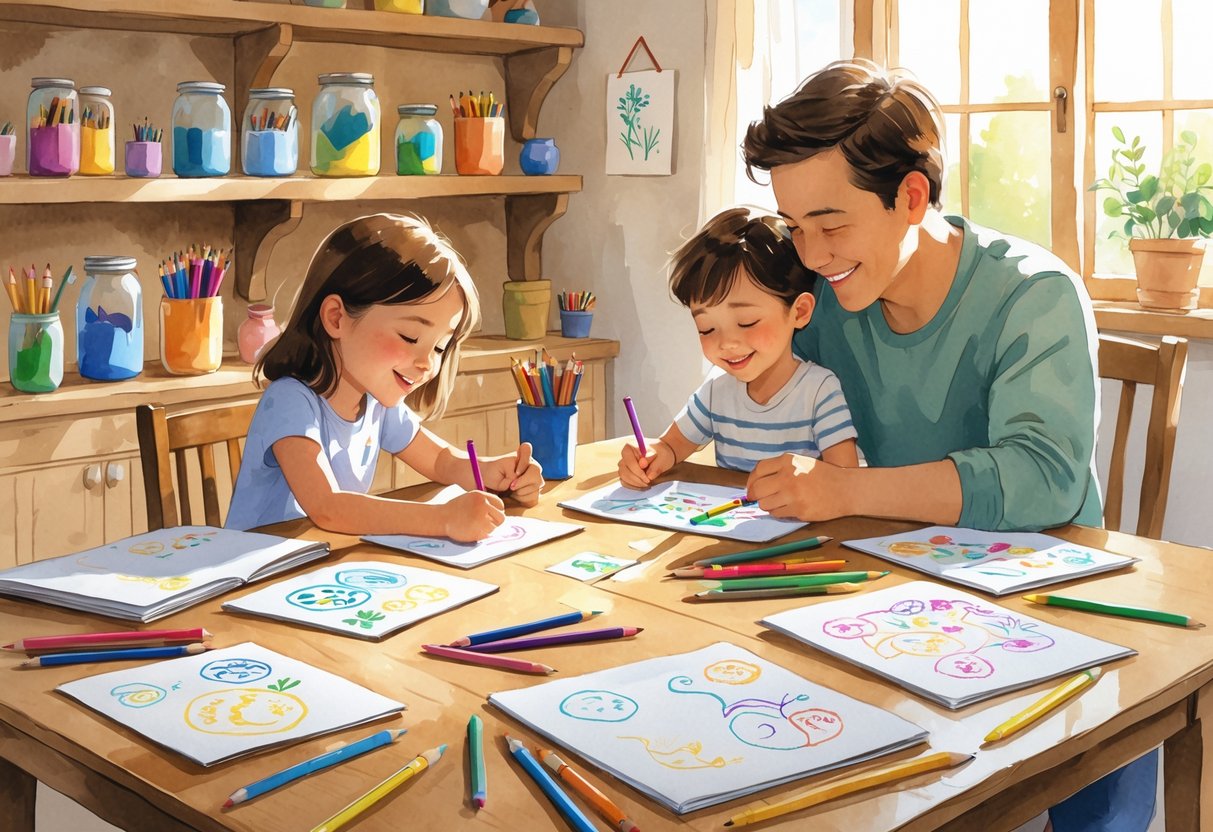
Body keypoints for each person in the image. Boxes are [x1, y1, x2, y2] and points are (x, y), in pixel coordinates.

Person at [741, 59, 1153, 832]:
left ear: (911, 196)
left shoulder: (1036, 294)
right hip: (885, 607)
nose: (814, 252)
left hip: (1055, 622)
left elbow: (1043, 480)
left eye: (830, 225)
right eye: (796, 227)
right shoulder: (824, 300)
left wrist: (847, 492)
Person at [225, 213, 543, 540]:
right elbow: (327, 507)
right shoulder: (291, 400)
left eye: (439, 348)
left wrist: (493, 472)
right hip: (253, 575)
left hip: (316, 568)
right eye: (409, 337)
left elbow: (440, 461)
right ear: (336, 318)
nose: (427, 365)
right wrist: (444, 519)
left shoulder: (375, 403)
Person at [618, 206, 859, 489]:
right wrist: (648, 458)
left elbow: (845, 480)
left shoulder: (819, 391)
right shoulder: (715, 394)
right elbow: (670, 447)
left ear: (800, 312)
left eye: (746, 322)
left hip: (803, 527)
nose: (727, 343)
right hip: (729, 527)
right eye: (706, 328)